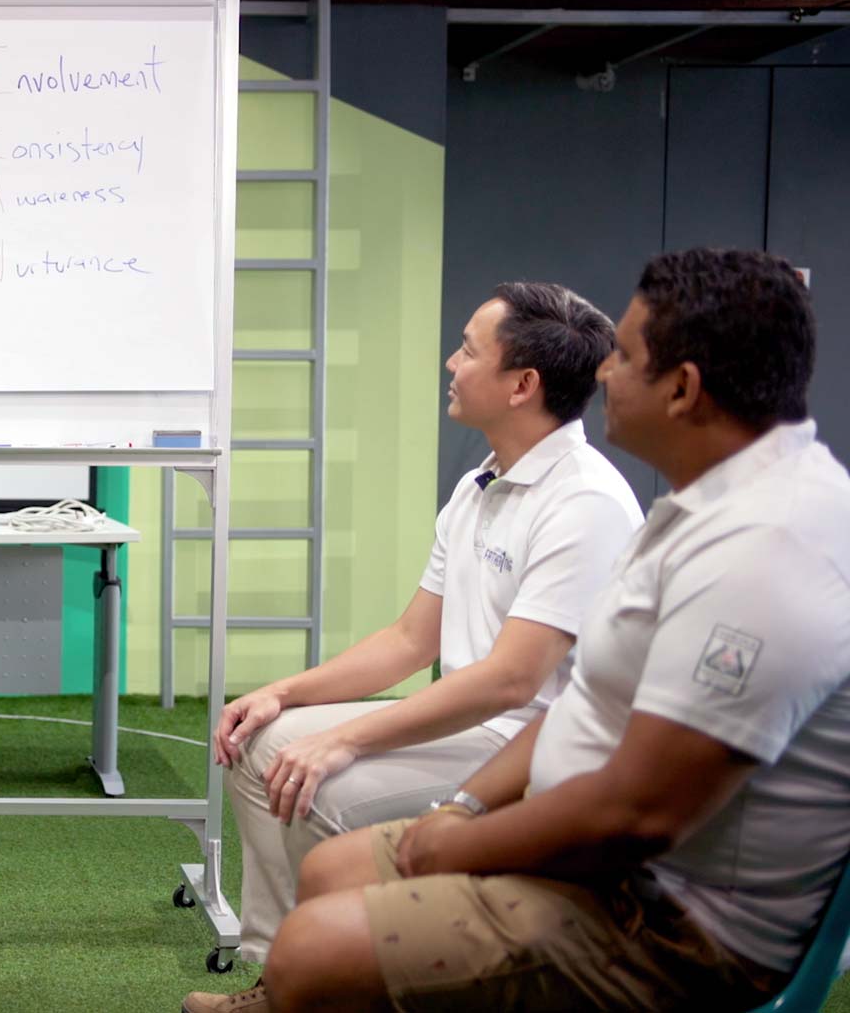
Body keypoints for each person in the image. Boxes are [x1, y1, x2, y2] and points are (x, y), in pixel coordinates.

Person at [186, 248, 850, 1013]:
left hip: (666, 921)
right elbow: (546, 690)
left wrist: (453, 836)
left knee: (317, 944)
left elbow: (635, 812)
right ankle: (282, 990)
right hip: (601, 857)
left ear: (683, 388)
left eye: (626, 358)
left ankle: (295, 984)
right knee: (328, 871)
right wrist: (458, 809)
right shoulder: (694, 512)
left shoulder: (760, 550)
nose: (604, 374)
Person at [216, 282, 642, 961]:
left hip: (534, 751)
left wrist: (346, 739)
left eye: (469, 351)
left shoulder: (586, 502)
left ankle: (339, 974)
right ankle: (276, 969)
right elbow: (411, 640)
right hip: (474, 726)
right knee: (260, 744)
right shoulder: (482, 482)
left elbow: (510, 682)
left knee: (318, 784)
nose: (451, 363)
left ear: (521, 385)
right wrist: (283, 694)